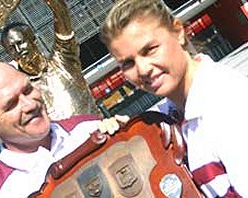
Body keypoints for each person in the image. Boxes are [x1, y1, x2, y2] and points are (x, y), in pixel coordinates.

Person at [100, 0, 248, 197]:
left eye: (150, 49)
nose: (143, 69)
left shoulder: (227, 101)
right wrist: (121, 141)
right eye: (127, 63)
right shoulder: (166, 118)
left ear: (178, 31)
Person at [0, 62, 125, 198]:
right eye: (11, 105)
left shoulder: (89, 128)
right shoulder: (2, 194)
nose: (30, 105)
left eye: (28, 90)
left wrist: (128, 136)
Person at [1, 0, 101, 121]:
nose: (18, 50)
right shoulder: (22, 91)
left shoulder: (63, 59)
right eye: (11, 48)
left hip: (97, 131)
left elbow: (61, 13)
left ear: (33, 40)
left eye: (20, 43)